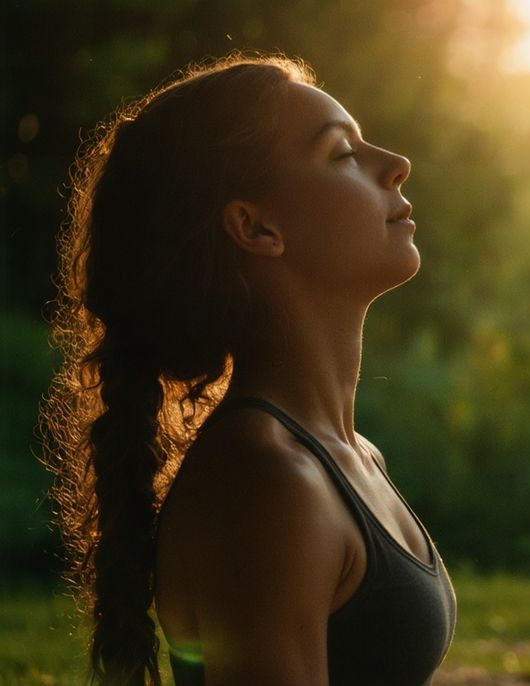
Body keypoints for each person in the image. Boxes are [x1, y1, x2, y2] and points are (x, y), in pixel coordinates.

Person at [42, 53, 456, 685]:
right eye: (342, 153)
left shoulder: (346, 455)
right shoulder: (266, 481)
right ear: (256, 226)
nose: (396, 163)